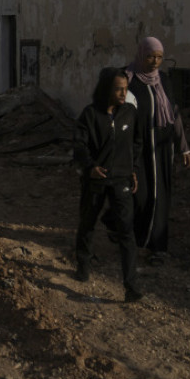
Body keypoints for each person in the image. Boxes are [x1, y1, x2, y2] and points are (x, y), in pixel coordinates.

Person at [74, 67, 143, 303]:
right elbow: (79, 145)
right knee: (88, 222)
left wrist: (133, 169)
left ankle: (131, 285)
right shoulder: (90, 115)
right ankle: (83, 266)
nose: (123, 93)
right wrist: (90, 167)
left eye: (125, 89)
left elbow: (137, 142)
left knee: (126, 230)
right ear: (107, 89)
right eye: (118, 89)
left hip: (121, 180)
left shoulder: (130, 113)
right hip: (96, 180)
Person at [126, 37, 190, 265]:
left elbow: (174, 113)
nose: (154, 62)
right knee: (139, 195)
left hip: (162, 148)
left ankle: (158, 247)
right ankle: (134, 238)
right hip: (138, 147)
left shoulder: (163, 80)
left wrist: (183, 147)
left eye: (159, 58)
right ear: (141, 55)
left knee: (161, 197)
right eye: (150, 57)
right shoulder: (129, 78)